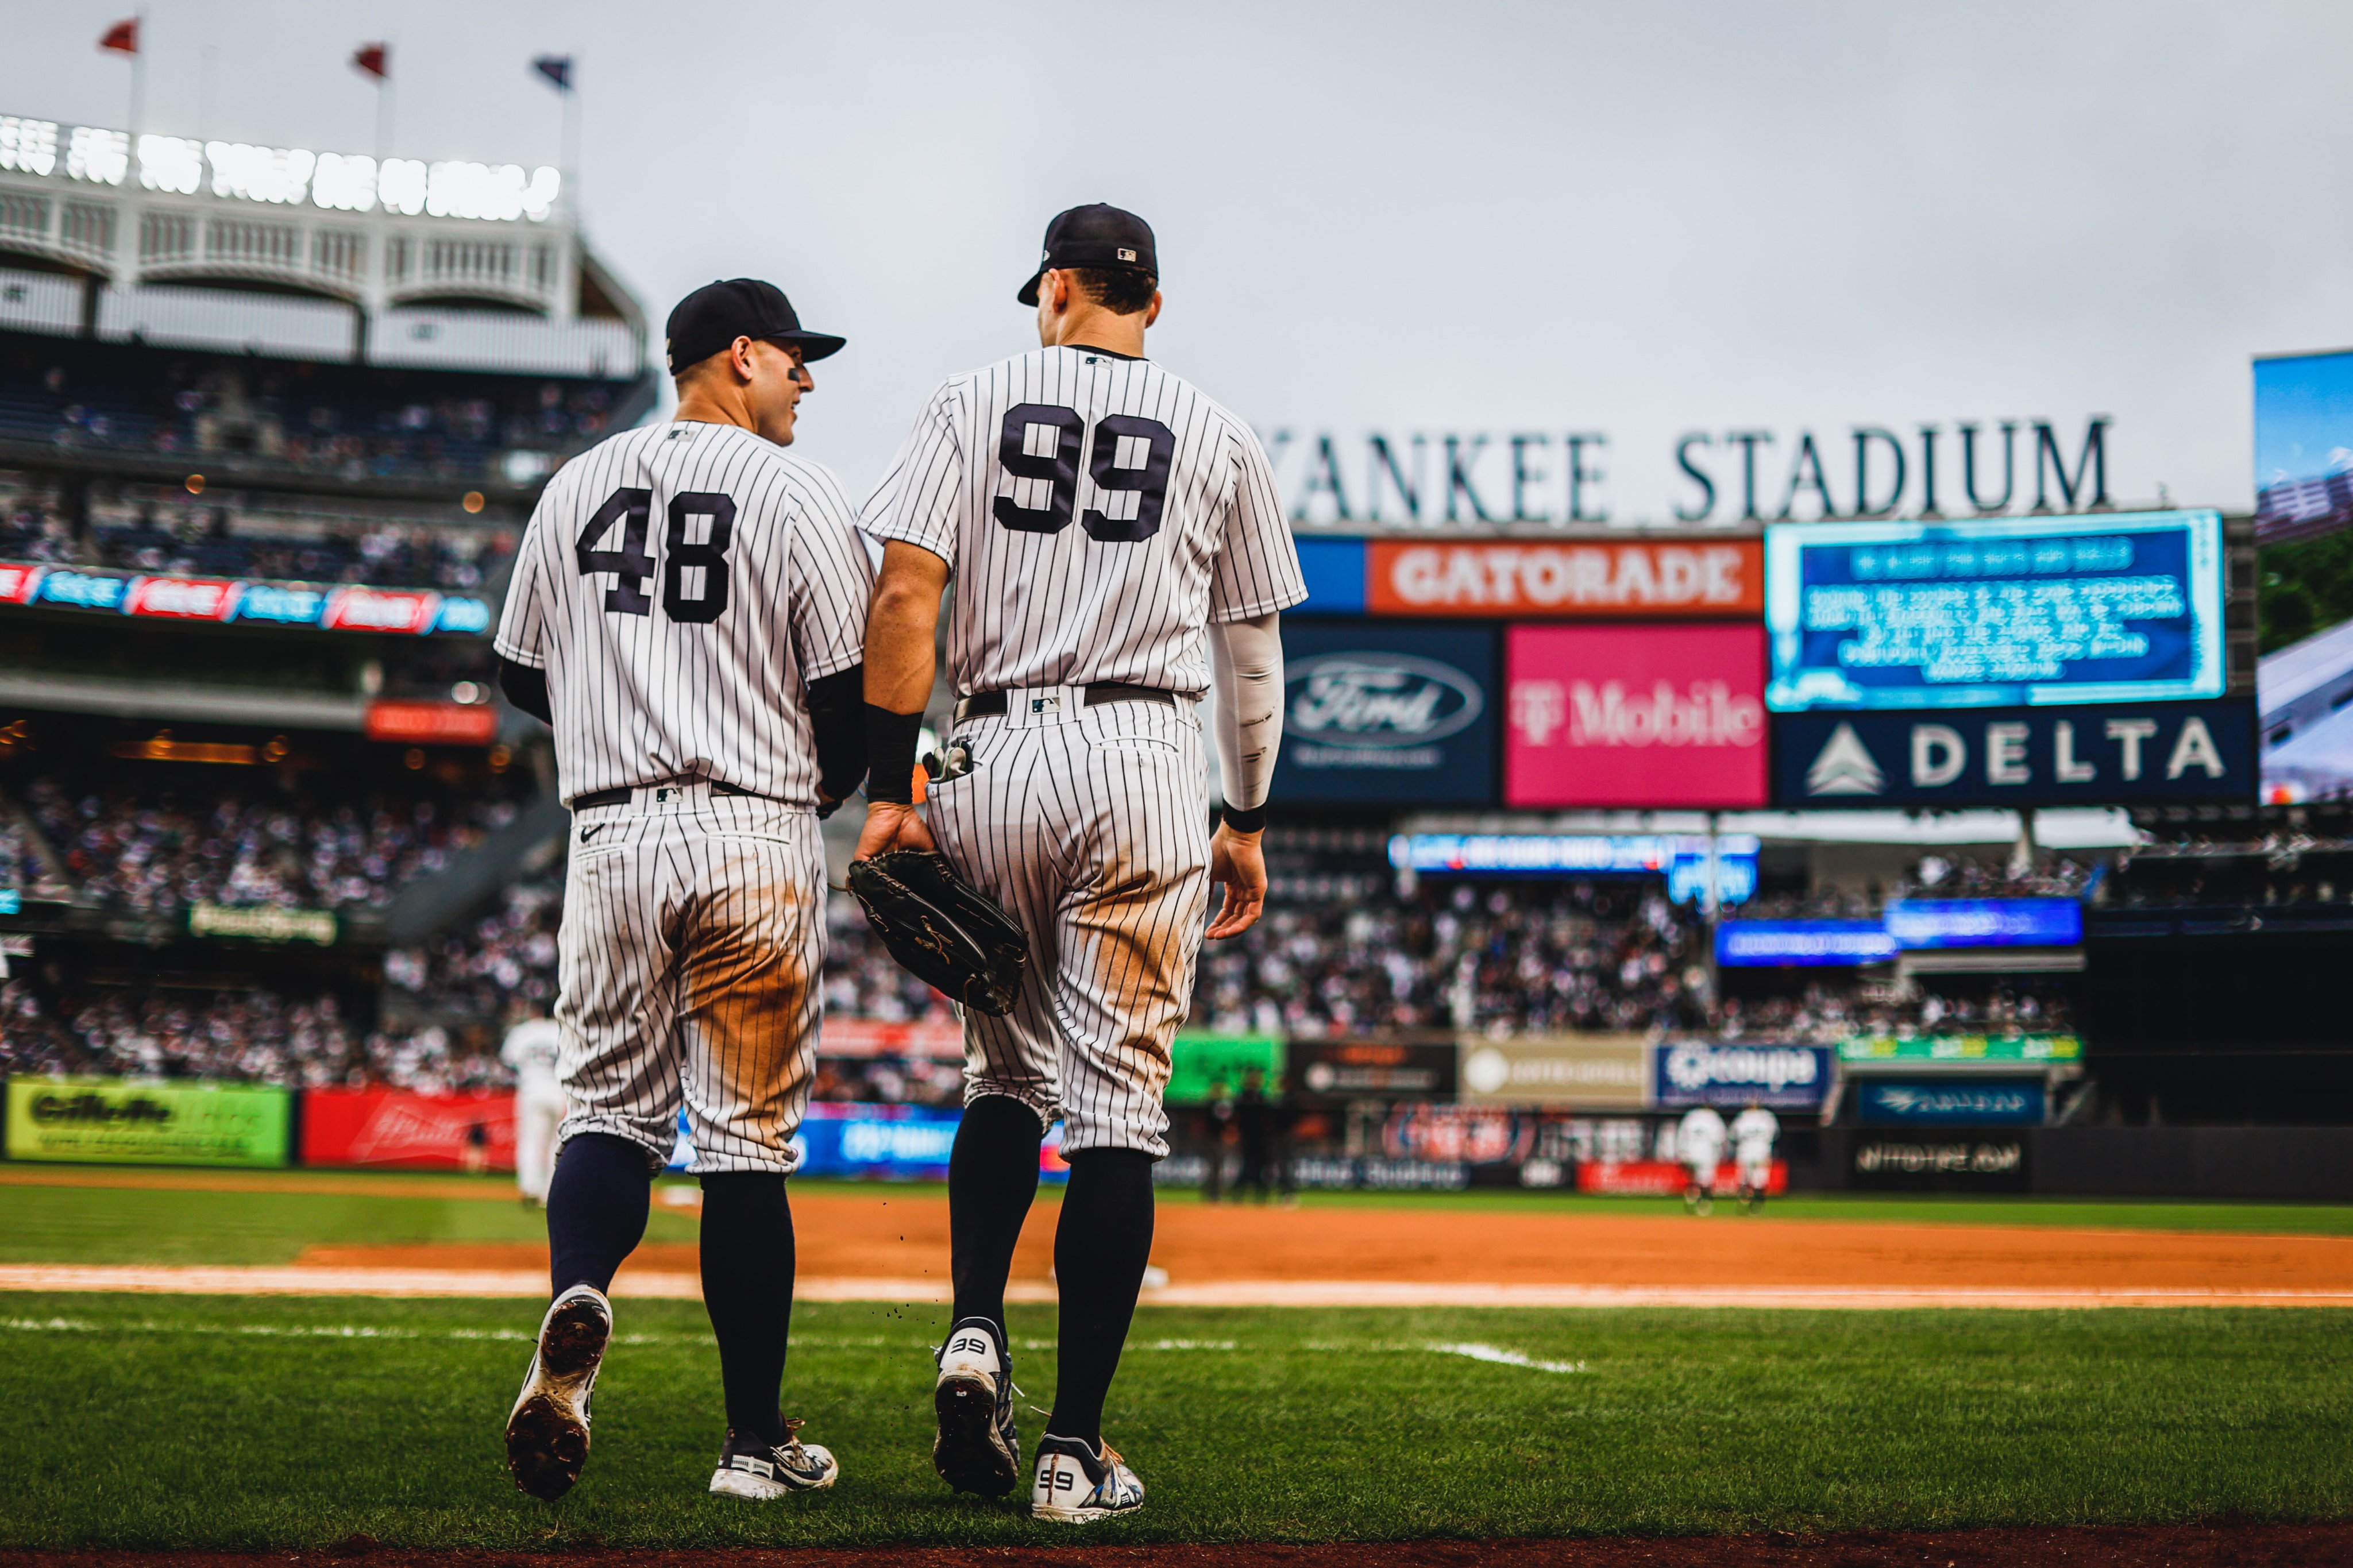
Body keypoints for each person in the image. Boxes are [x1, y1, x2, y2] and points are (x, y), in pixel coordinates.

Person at [854, 203, 1305, 1523]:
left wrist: (895, 791)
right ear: (1149, 301)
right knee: (1118, 1116)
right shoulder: (1219, 431)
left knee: (1006, 1072)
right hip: (1146, 756)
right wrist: (1249, 817)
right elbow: (1255, 661)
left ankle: (977, 1330)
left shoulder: (969, 395)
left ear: (1055, 289)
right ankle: (1072, 1453)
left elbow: (903, 597)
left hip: (990, 749)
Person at [490, 277, 873, 1505]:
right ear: (739, 354)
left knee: (604, 1108)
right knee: (746, 1148)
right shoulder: (796, 491)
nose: (807, 380)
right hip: (755, 828)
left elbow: (517, 673)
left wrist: (620, 716)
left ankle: (578, 1303)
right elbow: (844, 701)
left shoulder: (572, 485)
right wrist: (821, 784)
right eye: (795, 360)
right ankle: (753, 1445)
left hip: (608, 833)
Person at [501, 1007, 566, 1206]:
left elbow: (508, 1060)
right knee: (557, 1145)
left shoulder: (523, 1031)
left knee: (530, 1141)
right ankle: (549, 1194)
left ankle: (530, 1187)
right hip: (560, 1091)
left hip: (531, 1090)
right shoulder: (564, 1030)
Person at [1730, 1098, 1780, 1213]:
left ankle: (1744, 1201)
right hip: (1762, 1152)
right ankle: (1757, 1206)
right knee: (1760, 1181)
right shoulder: (1768, 1117)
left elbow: (1733, 1136)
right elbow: (1776, 1135)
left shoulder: (1742, 1117)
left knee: (1744, 1180)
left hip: (1745, 1152)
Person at [1676, 1102, 1727, 1215]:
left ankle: (1692, 1193)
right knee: (1706, 1182)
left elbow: (1682, 1136)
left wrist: (1682, 1153)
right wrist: (1721, 1155)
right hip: (1707, 1154)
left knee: (1693, 1177)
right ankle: (1704, 1204)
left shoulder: (1690, 1116)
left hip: (1691, 1153)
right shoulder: (1714, 1118)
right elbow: (1720, 1139)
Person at [1235, 1068, 1274, 1202]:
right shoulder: (1242, 1097)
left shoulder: (1262, 1097)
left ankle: (1261, 1194)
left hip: (1261, 1138)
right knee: (1246, 1165)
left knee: (1262, 1166)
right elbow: (1237, 1117)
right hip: (1246, 1136)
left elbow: (1268, 1118)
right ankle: (1239, 1193)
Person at [1200, 1077, 1235, 1202]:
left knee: (1218, 1166)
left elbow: (1229, 1124)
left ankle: (1217, 1192)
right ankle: (1212, 1192)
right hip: (1211, 1138)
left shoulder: (1224, 1105)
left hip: (1219, 1138)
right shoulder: (1211, 1105)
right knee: (1212, 1166)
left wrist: (1229, 1134)